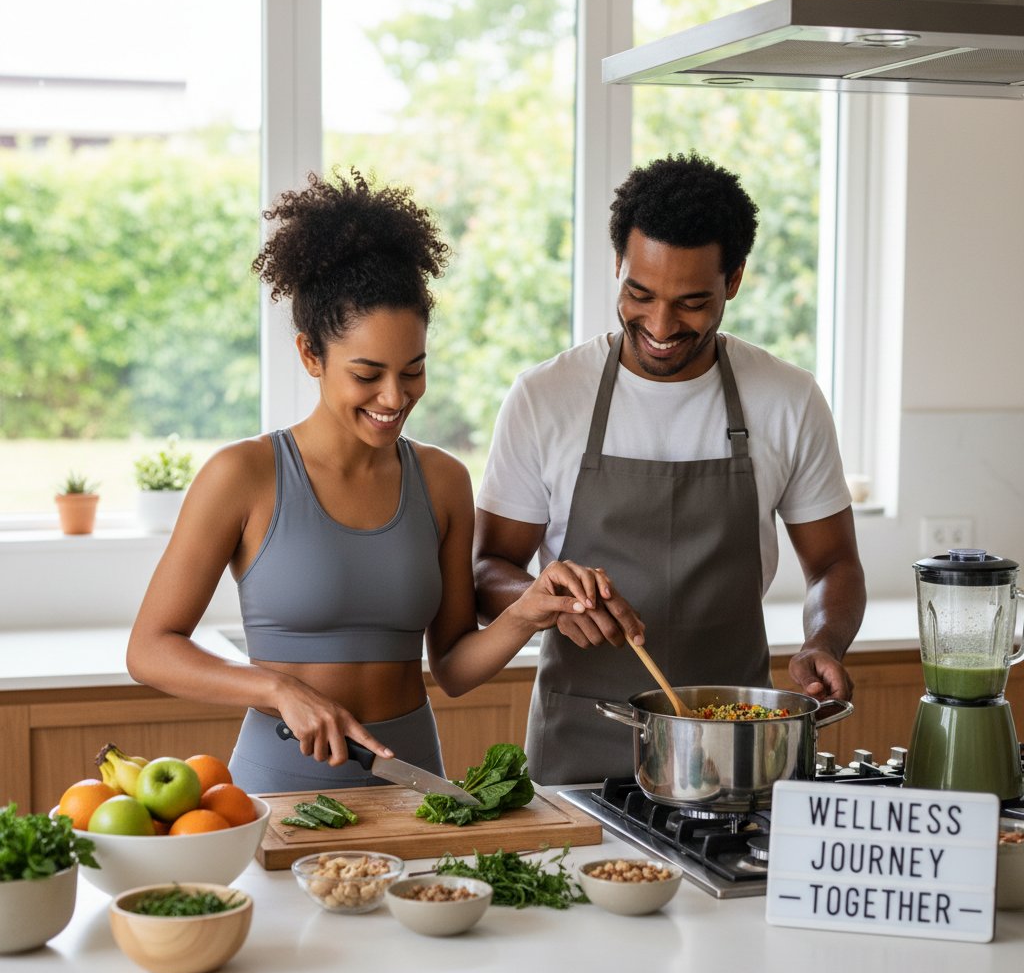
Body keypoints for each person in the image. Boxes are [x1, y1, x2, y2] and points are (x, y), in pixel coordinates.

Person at [126, 168, 617, 794]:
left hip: (412, 782)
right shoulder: (243, 476)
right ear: (310, 355)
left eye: (413, 370)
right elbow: (150, 648)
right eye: (367, 374)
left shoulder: (441, 480)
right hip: (279, 785)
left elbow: (454, 668)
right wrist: (277, 688)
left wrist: (525, 614)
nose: (394, 396)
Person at [473, 151, 866, 785]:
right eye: (639, 293)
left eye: (690, 302)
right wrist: (544, 602)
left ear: (733, 281)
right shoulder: (546, 397)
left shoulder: (787, 398)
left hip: (733, 745)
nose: (658, 325)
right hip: (581, 742)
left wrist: (824, 642)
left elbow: (834, 564)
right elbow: (488, 569)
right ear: (618, 268)